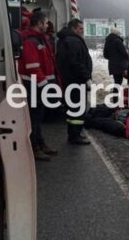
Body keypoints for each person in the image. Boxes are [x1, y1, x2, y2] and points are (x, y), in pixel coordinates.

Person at [18, 11, 58, 161]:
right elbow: (33, 66)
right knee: (34, 118)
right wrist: (44, 84)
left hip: (39, 85)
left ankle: (40, 143)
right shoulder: (31, 41)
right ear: (39, 23)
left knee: (39, 117)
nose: (47, 25)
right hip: (33, 86)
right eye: (46, 23)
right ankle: (34, 147)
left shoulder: (40, 40)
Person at [56, 18, 93, 145]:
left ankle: (74, 133)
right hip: (76, 81)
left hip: (70, 81)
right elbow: (76, 62)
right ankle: (75, 135)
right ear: (73, 28)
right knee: (77, 109)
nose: (82, 31)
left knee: (73, 108)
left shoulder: (66, 40)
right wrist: (86, 77)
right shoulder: (72, 41)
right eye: (80, 29)